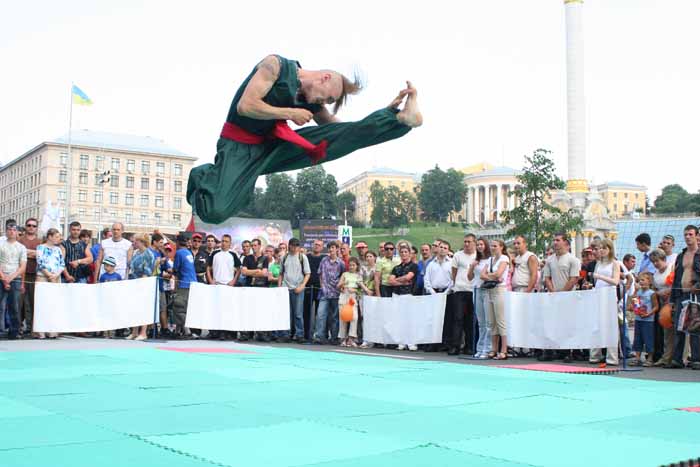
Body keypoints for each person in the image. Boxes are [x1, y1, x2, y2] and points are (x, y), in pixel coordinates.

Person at [186, 54, 422, 224]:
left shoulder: (311, 99)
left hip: (271, 147)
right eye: (327, 98)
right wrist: (289, 113)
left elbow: (338, 130)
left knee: (339, 139)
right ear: (325, 78)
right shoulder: (275, 66)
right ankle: (205, 175)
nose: (322, 104)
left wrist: (384, 115)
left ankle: (402, 119)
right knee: (214, 212)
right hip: (239, 145)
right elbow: (246, 106)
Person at [541, 233, 581, 362]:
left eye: (558, 240)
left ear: (566, 244)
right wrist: (553, 291)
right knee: (552, 324)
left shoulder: (573, 260)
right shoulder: (550, 260)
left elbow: (574, 278)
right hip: (553, 295)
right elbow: (546, 277)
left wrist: (562, 293)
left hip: (568, 296)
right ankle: (551, 350)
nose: (555, 242)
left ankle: (569, 351)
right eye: (554, 240)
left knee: (568, 325)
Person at [667, 225, 700, 370]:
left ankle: (696, 358)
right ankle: (677, 358)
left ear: (697, 236)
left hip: (696, 294)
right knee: (678, 326)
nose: (687, 237)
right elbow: (675, 278)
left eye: (690, 234)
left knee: (695, 327)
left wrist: (697, 285)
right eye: (685, 234)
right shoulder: (681, 255)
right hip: (681, 293)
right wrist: (673, 300)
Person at [588, 238, 621, 366]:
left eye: (604, 248)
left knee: (610, 325)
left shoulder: (615, 263)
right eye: (600, 248)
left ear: (610, 249)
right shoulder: (598, 263)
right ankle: (595, 354)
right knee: (596, 325)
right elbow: (596, 282)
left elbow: (616, 281)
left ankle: (612, 357)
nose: (601, 250)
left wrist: (600, 277)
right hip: (598, 294)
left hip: (610, 295)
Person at [480, 239, 510, 360]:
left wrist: (489, 276)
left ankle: (504, 350)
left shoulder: (504, 259)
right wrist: (491, 277)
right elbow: (482, 275)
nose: (493, 248)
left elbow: (499, 274)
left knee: (500, 320)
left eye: (495, 246)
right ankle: (494, 349)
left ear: (501, 247)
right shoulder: (490, 260)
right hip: (490, 290)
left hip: (500, 290)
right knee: (491, 321)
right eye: (491, 246)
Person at [424, 240, 454, 352]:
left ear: (448, 250)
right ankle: (433, 343)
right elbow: (426, 280)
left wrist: (445, 292)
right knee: (433, 319)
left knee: (447, 320)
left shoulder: (451, 263)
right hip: (434, 293)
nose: (442, 249)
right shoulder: (431, 264)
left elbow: (453, 280)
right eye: (441, 247)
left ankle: (446, 343)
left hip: (447, 293)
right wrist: (433, 292)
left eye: (445, 248)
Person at [278, 238, 310, 342]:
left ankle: (299, 334)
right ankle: (285, 334)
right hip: (286, 288)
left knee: (298, 313)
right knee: (286, 313)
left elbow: (307, 273)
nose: (295, 248)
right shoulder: (284, 257)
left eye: (297, 245)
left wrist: (302, 286)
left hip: (298, 288)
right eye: (293, 245)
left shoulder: (302, 257)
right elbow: (281, 273)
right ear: (289, 246)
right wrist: (279, 287)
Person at [450, 234, 477, 356]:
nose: (466, 244)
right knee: (457, 318)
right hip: (460, 290)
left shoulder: (478, 256)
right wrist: (457, 284)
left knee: (471, 320)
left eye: (469, 242)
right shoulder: (457, 255)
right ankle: (455, 346)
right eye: (465, 241)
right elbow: (454, 272)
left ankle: (470, 346)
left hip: (473, 290)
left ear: (474, 243)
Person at [388, 244, 419, 351]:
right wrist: (402, 282)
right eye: (402, 252)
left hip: (409, 295)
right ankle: (401, 342)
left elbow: (409, 277)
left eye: (406, 252)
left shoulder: (413, 266)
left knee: (410, 319)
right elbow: (390, 281)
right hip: (397, 295)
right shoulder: (396, 268)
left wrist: (398, 280)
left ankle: (411, 342)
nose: (404, 254)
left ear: (410, 253)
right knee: (399, 319)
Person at [36, 228, 65, 339]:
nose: (59, 239)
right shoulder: (41, 247)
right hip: (43, 277)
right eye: (57, 236)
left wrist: (56, 275)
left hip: (56, 278)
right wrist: (49, 275)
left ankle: (52, 330)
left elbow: (62, 264)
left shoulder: (58, 250)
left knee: (54, 304)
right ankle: (41, 330)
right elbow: (40, 262)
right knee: (42, 304)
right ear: (50, 236)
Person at [0, 222, 27, 340]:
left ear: (17, 232)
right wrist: (4, 278)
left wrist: (11, 278)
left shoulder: (21, 247)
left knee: (14, 306)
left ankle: (14, 331)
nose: (11, 231)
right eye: (9, 229)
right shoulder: (1, 244)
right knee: (1, 305)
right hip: (1, 277)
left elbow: (22, 266)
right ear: (6, 231)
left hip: (15, 278)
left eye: (14, 230)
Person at [126, 234, 155, 341]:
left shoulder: (148, 254)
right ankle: (134, 332)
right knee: (134, 308)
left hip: (143, 285)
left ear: (141, 242)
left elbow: (147, 271)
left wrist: (140, 285)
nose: (133, 243)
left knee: (143, 309)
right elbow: (130, 266)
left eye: (135, 241)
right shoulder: (136, 253)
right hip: (134, 283)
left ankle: (143, 332)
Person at [314, 241, 344, 345]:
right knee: (321, 314)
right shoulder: (324, 260)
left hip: (336, 293)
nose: (331, 250)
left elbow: (342, 276)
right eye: (329, 248)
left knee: (334, 317)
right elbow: (320, 274)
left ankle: (334, 337)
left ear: (337, 249)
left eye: (333, 247)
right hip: (324, 292)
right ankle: (319, 336)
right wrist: (322, 286)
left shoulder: (341, 263)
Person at [338, 257, 371, 347]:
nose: (351, 267)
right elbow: (338, 285)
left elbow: (362, 286)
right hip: (344, 296)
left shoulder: (358, 276)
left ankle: (351, 338)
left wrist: (366, 291)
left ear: (357, 266)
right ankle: (343, 339)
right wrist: (343, 284)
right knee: (343, 318)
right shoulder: (345, 274)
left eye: (353, 265)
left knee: (354, 317)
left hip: (352, 298)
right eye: (350, 265)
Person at [241, 238, 270, 341]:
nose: (253, 247)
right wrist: (257, 270)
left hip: (262, 288)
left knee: (261, 311)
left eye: (255, 245)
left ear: (259, 246)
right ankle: (246, 334)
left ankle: (261, 333)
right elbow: (244, 272)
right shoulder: (247, 258)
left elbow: (264, 273)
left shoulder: (265, 258)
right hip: (249, 287)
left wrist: (251, 271)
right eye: (252, 246)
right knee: (248, 311)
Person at [650, 248, 675, 367]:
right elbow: (655, 289)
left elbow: (675, 285)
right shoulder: (655, 274)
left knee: (676, 331)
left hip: (672, 302)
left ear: (664, 259)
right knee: (666, 332)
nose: (655, 264)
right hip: (662, 304)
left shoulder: (671, 268)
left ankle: (676, 357)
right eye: (653, 262)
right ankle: (666, 357)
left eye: (657, 261)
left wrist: (667, 293)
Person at [468, 238, 492, 359]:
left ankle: (487, 348)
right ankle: (479, 347)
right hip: (476, 289)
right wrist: (472, 267)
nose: (479, 246)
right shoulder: (475, 260)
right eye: (478, 245)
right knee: (480, 322)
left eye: (481, 244)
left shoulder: (490, 260)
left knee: (488, 322)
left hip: (487, 290)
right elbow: (469, 277)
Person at [628, 272, 658, 366]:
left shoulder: (652, 293)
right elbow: (633, 302)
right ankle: (637, 358)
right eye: (640, 280)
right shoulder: (639, 292)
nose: (641, 282)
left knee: (648, 338)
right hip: (638, 319)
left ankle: (650, 358)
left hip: (648, 320)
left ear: (649, 281)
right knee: (638, 338)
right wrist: (635, 292)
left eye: (643, 280)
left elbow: (656, 306)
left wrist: (649, 313)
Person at [172, 235, 198, 339]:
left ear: (178, 242)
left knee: (178, 308)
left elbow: (175, 269)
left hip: (184, 284)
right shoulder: (188, 252)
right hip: (192, 283)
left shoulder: (179, 253)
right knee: (185, 308)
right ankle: (178, 331)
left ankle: (187, 331)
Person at [18, 218, 40, 336]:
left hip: (34, 275)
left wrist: (27, 252)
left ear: (37, 228)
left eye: (34, 226)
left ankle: (31, 327)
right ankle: (19, 327)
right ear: (26, 226)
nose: (31, 227)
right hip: (21, 275)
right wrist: (33, 253)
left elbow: (41, 255)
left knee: (32, 302)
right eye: (29, 225)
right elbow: (19, 254)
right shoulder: (20, 240)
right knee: (19, 302)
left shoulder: (40, 242)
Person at [303, 239, 326, 340]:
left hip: (320, 288)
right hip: (307, 288)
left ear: (322, 247)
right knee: (306, 312)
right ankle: (306, 334)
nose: (317, 246)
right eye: (315, 244)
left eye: (319, 245)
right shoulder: (306, 257)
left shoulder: (324, 258)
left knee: (319, 313)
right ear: (312, 245)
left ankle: (319, 335)